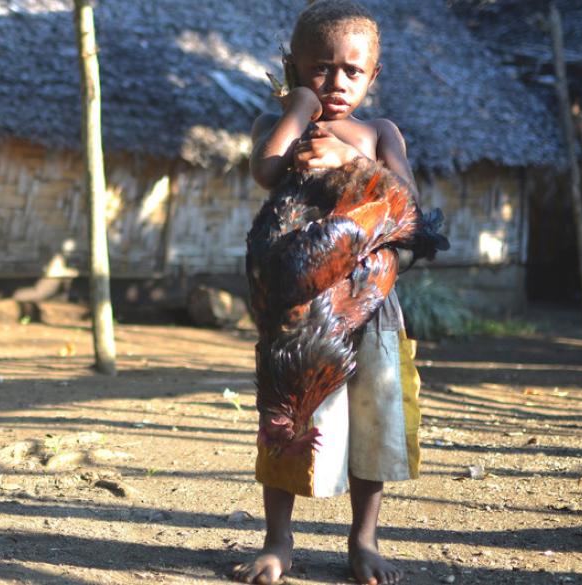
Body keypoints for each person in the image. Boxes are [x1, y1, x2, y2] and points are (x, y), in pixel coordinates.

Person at [233, 1, 424, 584]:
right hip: (300, 312)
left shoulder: (380, 133)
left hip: (372, 304)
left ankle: (363, 541)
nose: (336, 83)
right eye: (320, 69)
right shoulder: (281, 128)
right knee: (288, 419)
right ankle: (278, 540)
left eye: (352, 71)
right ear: (292, 66)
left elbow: (411, 208)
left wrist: (351, 159)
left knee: (374, 418)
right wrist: (298, 107)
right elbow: (266, 172)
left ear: (373, 76)